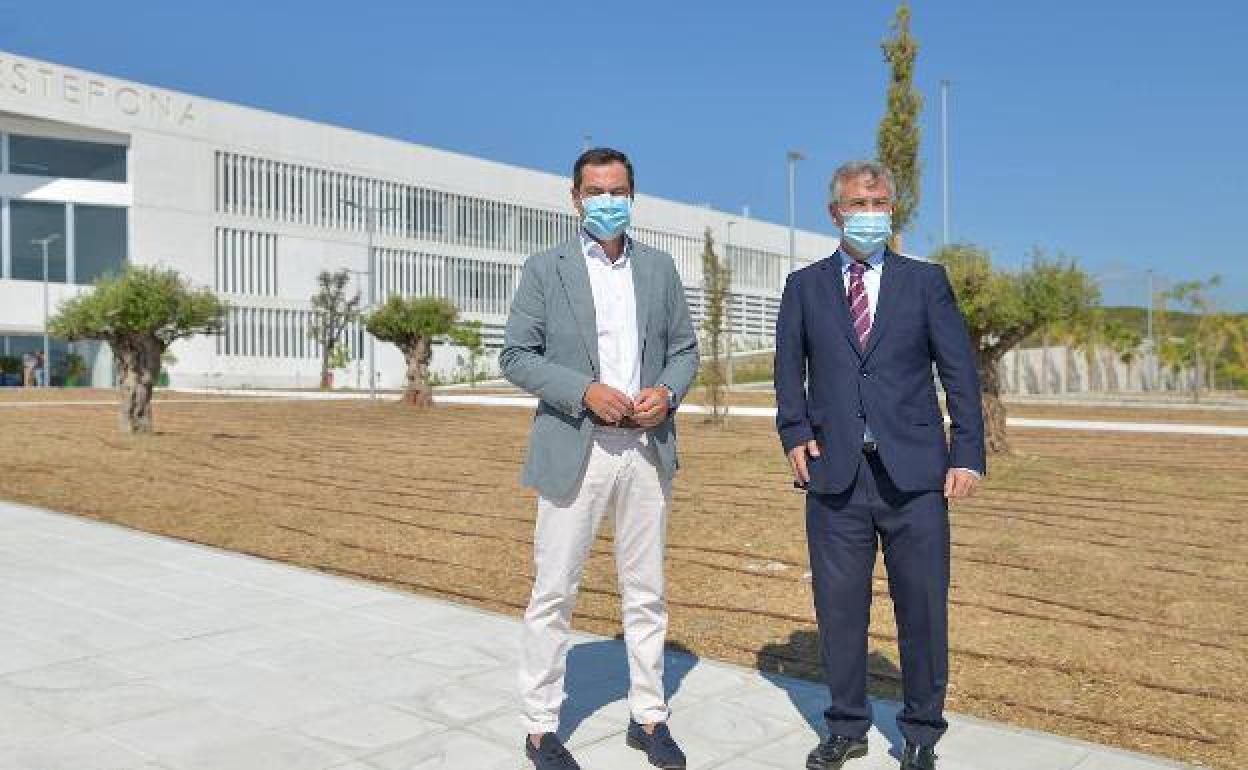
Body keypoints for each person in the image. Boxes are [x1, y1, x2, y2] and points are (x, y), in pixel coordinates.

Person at [774, 160, 986, 770]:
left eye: (881, 203)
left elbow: (958, 375)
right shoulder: (805, 287)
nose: (871, 213)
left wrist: (967, 453)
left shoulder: (926, 283)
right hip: (834, 474)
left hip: (916, 475)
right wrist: (793, 432)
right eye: (858, 204)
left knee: (922, 606)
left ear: (892, 209)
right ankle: (845, 726)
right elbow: (790, 373)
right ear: (835, 212)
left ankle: (921, 731)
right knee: (838, 608)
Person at [501, 147, 699, 770]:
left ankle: (649, 718)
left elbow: (685, 351)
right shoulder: (545, 269)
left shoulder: (660, 269)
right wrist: (584, 391)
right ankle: (540, 728)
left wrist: (666, 393)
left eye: (618, 191)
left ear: (633, 197)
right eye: (596, 191)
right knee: (554, 591)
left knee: (646, 592)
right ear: (575, 197)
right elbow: (516, 355)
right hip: (574, 448)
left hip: (645, 451)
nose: (607, 201)